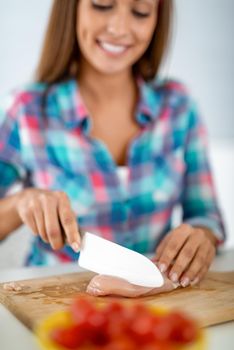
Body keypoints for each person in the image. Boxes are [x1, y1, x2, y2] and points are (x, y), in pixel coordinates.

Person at [0, 0, 225, 288]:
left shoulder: (180, 107)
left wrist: (201, 238)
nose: (119, 28)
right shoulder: (25, 110)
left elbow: (206, 217)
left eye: (140, 12)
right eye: (102, 5)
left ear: (157, 18)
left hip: (155, 306)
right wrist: (21, 202)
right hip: (50, 301)